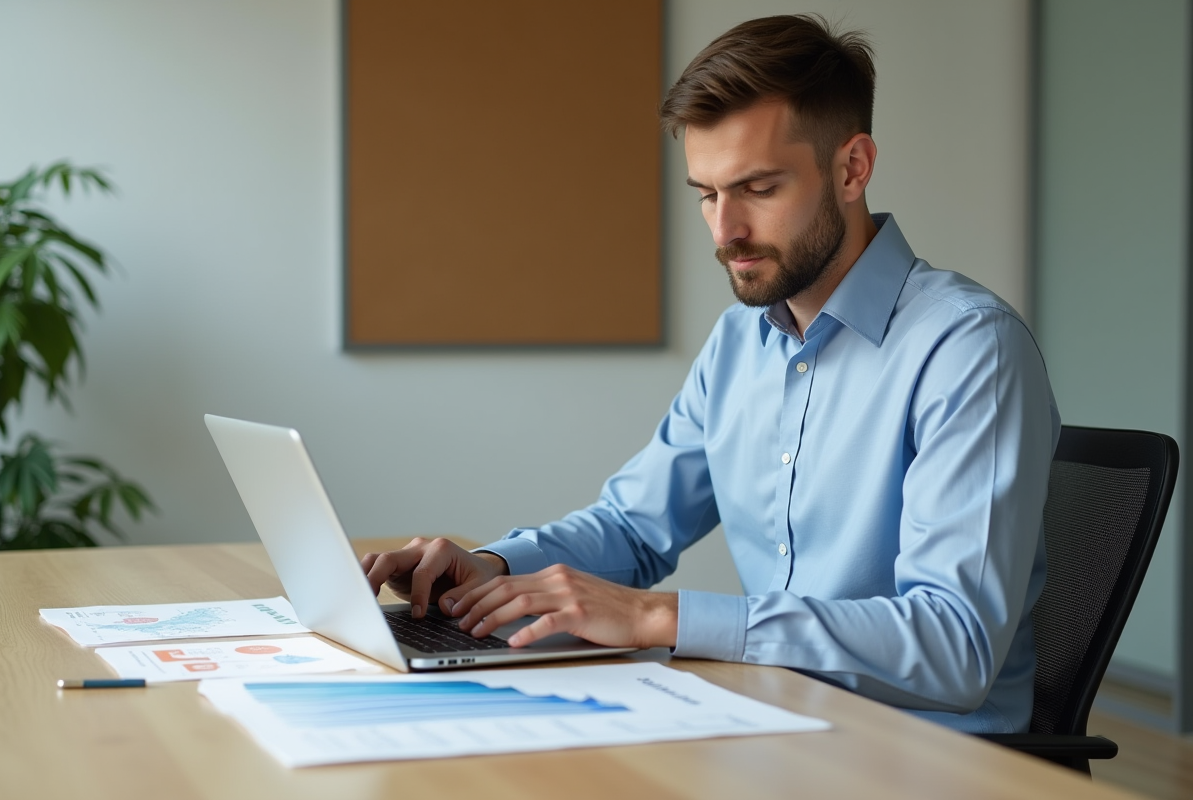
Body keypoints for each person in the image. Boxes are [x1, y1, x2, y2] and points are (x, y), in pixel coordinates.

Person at [360, 14, 1059, 734]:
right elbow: (632, 528)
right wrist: (496, 568)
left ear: (852, 169)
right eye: (707, 193)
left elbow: (955, 647)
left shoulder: (969, 348)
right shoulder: (739, 343)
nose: (725, 232)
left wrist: (658, 616)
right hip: (771, 724)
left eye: (757, 188)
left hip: (921, 757)